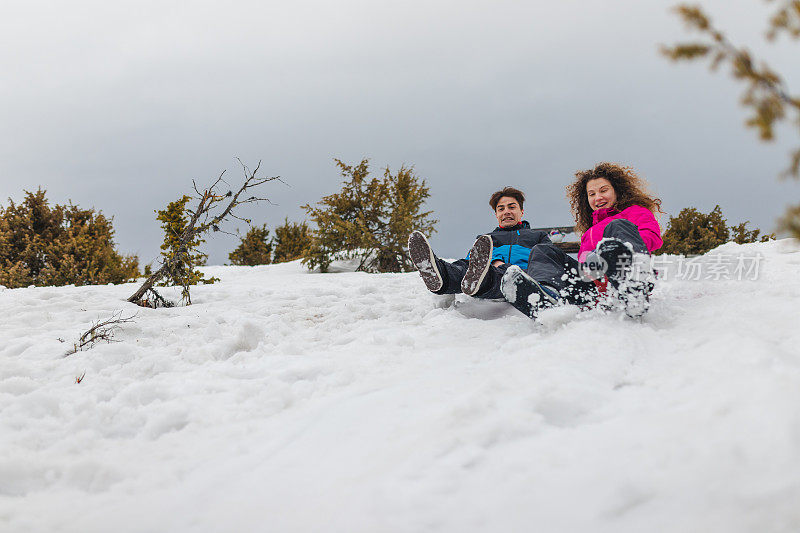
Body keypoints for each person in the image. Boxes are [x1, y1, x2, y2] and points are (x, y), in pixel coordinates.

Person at [501, 162, 664, 318]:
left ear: (617, 191)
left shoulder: (633, 213)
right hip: (592, 287)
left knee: (617, 226)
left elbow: (652, 236)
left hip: (620, 275)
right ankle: (546, 296)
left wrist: (611, 251)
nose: (598, 197)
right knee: (543, 250)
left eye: (603, 190)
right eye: (591, 194)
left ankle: (633, 286)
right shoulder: (589, 232)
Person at [408, 187, 551, 300]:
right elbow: (471, 261)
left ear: (522, 211)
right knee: (463, 267)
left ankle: (480, 281)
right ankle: (439, 274)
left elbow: (547, 261)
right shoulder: (486, 238)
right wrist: (495, 262)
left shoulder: (537, 236)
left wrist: (504, 266)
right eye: (501, 209)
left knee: (498, 275)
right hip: (487, 268)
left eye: (511, 207)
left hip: (521, 275)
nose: (506, 212)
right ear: (496, 214)